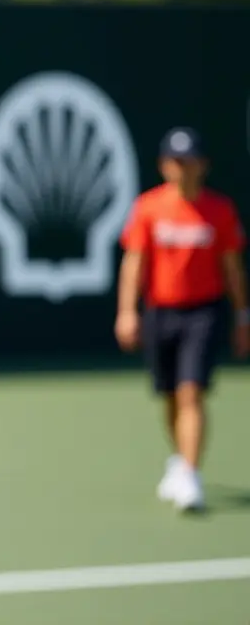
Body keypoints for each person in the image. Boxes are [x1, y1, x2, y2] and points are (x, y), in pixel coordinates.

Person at [115, 126, 249, 513]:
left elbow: (233, 269)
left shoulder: (219, 211)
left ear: (202, 166)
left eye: (189, 162)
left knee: (192, 391)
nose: (183, 169)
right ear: (163, 166)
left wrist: (243, 315)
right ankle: (180, 458)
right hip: (161, 312)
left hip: (204, 312)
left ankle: (190, 472)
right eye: (175, 162)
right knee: (171, 394)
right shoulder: (149, 208)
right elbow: (134, 264)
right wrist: (127, 311)